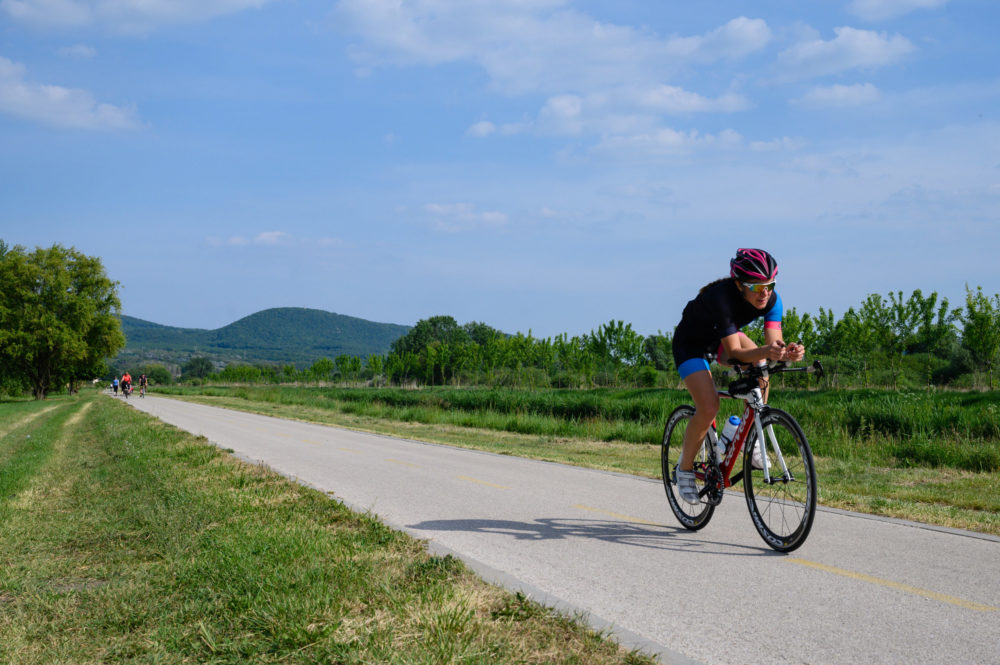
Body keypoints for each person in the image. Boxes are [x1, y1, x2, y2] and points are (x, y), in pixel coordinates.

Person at [671, 248, 805, 505]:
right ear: (738, 285)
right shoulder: (722, 298)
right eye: (756, 288)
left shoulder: (773, 301)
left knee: (762, 364)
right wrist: (767, 351)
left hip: (719, 339)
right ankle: (685, 470)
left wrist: (788, 353)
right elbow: (734, 351)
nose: (764, 293)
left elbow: (773, 347)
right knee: (709, 406)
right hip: (692, 345)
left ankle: (751, 435)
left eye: (769, 285)